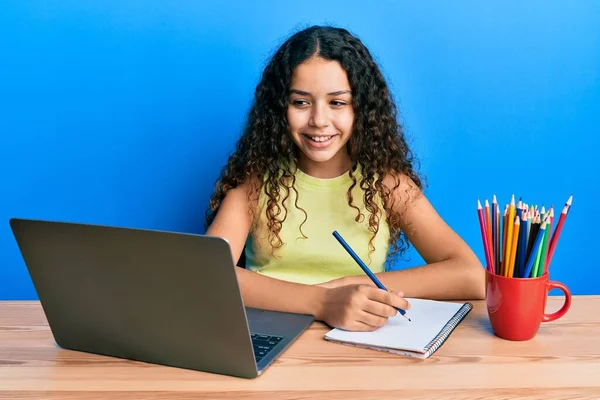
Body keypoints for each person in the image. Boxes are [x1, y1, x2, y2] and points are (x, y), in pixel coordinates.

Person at [205, 25, 484, 332]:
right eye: (300, 102)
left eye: (337, 102)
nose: (319, 121)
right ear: (279, 108)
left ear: (360, 109)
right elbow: (206, 274)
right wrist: (323, 301)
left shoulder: (386, 184)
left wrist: (352, 285)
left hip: (361, 348)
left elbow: (471, 276)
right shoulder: (256, 185)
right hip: (268, 338)